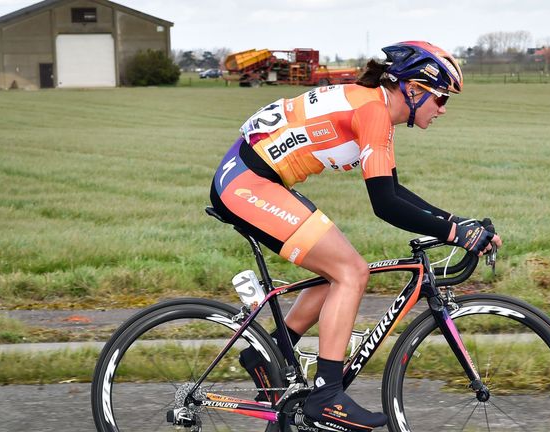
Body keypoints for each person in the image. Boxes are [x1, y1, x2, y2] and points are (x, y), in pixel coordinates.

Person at [210, 41, 502, 432]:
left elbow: (395, 191)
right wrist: (454, 232)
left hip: (256, 176)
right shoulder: (373, 111)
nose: (444, 108)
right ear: (412, 90)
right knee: (351, 271)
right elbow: (385, 205)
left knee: (339, 266)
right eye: (441, 97)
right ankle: (327, 396)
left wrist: (458, 223)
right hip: (247, 182)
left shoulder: (374, 105)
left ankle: (271, 354)